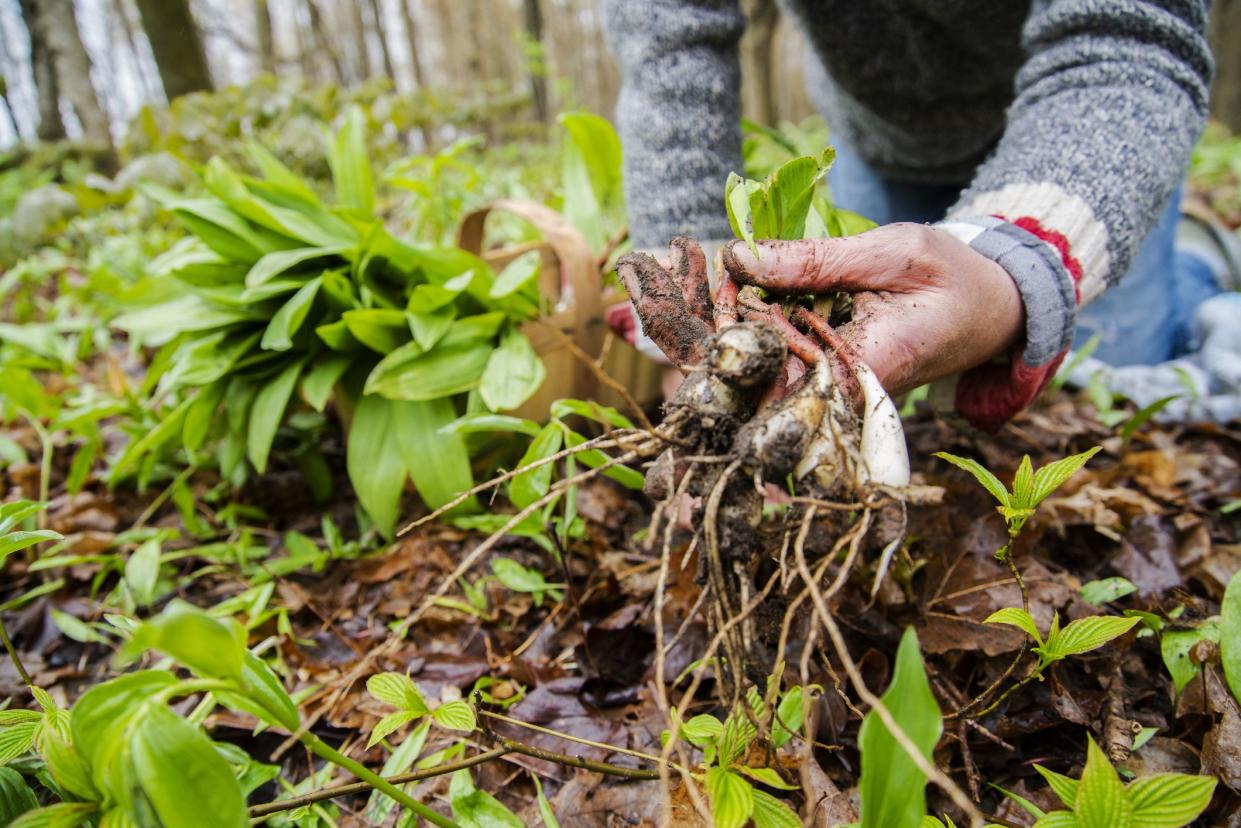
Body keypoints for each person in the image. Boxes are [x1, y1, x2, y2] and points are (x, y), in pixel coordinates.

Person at [601, 0, 1240, 430]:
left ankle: (1197, 263)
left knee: (1105, 370)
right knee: (882, 367)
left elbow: (1129, 40)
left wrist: (1017, 260)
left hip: (1084, 129)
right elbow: (669, 32)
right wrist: (689, 276)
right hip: (882, 135)